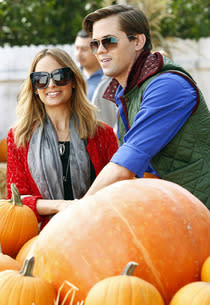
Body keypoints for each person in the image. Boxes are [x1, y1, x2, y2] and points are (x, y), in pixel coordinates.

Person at [82, 4, 210, 208]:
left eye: (110, 41)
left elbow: (125, 164)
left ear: (138, 41)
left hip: (202, 211)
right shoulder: (127, 92)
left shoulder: (167, 86)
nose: (101, 50)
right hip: (176, 209)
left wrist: (78, 208)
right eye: (95, 44)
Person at [6, 47, 118, 229]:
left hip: (95, 229)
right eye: (40, 79)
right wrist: (61, 205)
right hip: (43, 237)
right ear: (34, 88)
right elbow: (16, 200)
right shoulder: (19, 136)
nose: (51, 85)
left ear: (73, 80)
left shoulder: (101, 134)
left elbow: (116, 190)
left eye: (60, 76)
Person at [75, 29, 117, 127]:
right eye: (77, 48)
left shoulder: (112, 79)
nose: (79, 54)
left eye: (84, 49)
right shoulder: (72, 77)